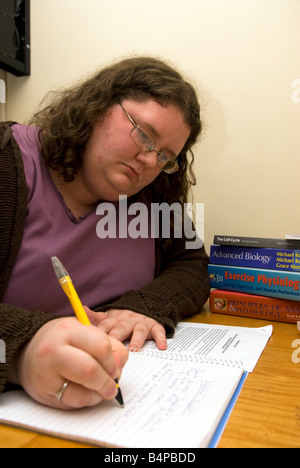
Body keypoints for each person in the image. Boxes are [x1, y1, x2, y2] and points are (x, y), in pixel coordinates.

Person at [0, 56, 210, 410]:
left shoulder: (154, 197)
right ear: (97, 108)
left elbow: (192, 265)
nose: (148, 161)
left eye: (164, 156)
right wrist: (21, 352)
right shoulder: (8, 161)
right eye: (144, 135)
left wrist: (141, 306)